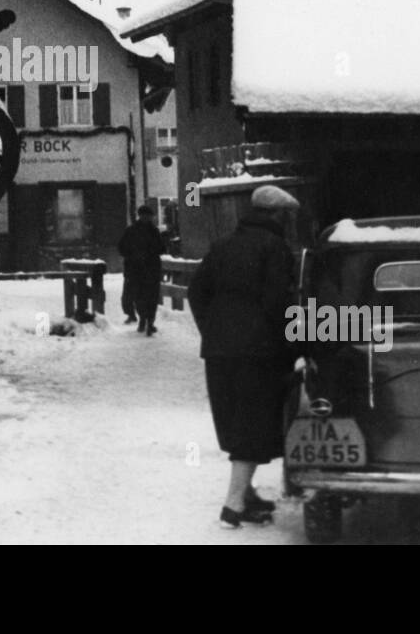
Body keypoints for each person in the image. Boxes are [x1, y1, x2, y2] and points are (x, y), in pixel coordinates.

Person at [188, 184, 299, 528]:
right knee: (255, 422)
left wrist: (214, 330)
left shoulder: (222, 246)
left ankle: (246, 493)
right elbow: (278, 303)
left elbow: (196, 292)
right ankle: (233, 506)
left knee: (236, 421)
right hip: (258, 351)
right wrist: (292, 344)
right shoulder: (275, 248)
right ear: (278, 215)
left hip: (220, 351)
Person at [118, 205, 164, 335]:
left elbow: (161, 248)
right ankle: (145, 319)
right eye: (145, 215)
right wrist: (136, 255)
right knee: (143, 297)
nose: (146, 218)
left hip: (145, 270)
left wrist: (135, 255)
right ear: (141, 216)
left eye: (148, 216)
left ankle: (148, 321)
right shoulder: (135, 231)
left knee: (146, 297)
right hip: (141, 270)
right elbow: (122, 248)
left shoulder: (150, 231)